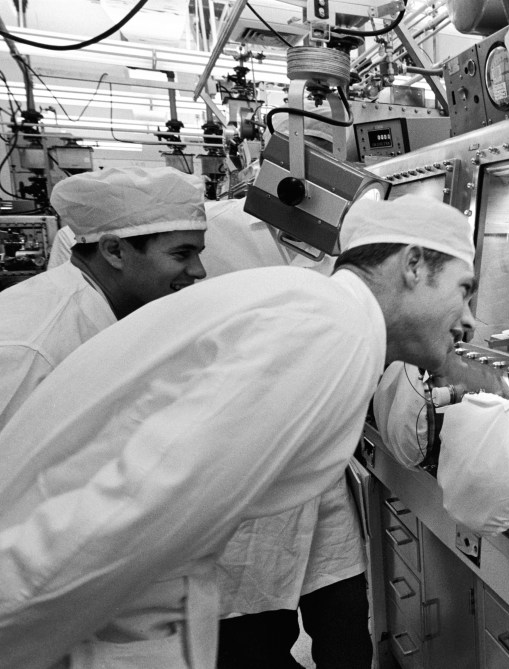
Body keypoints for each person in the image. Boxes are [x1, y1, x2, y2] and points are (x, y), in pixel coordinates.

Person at [0, 193, 477, 669]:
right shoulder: (332, 330)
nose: (470, 321)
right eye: (464, 290)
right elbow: (137, 504)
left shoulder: (314, 305)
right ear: (413, 265)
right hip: (68, 617)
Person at [201, 197, 371, 669]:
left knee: (346, 622)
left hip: (318, 469)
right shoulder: (211, 232)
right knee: (253, 638)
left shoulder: (352, 223)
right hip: (241, 482)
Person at [0, 166, 207, 429]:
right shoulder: (33, 349)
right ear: (114, 251)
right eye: (182, 254)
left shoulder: (111, 308)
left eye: (198, 253)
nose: (200, 270)